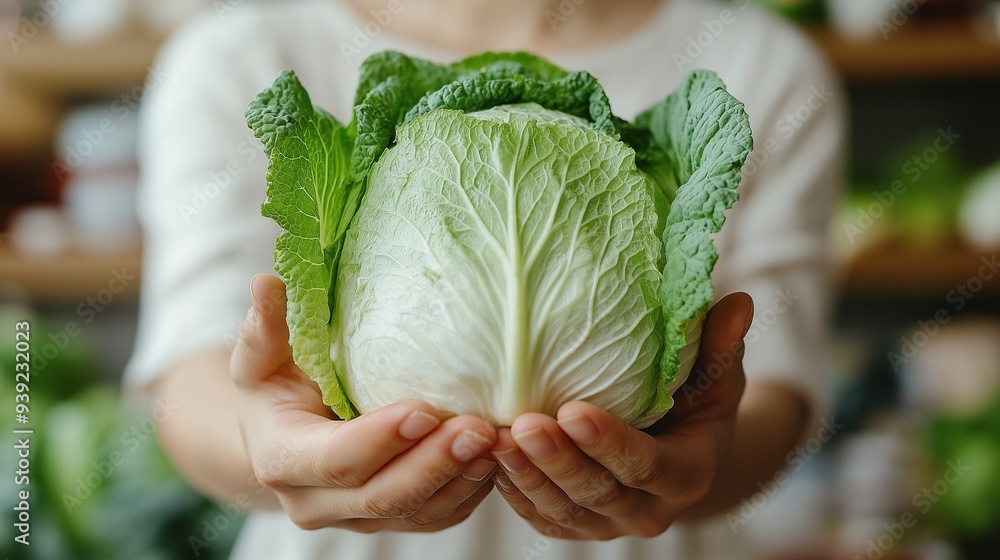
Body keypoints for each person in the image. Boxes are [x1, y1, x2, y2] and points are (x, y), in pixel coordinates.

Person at [126, 0, 844, 558]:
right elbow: (191, 380)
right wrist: (263, 451)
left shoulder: (763, 65)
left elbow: (778, 389)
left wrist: (703, 469)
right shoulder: (234, 56)